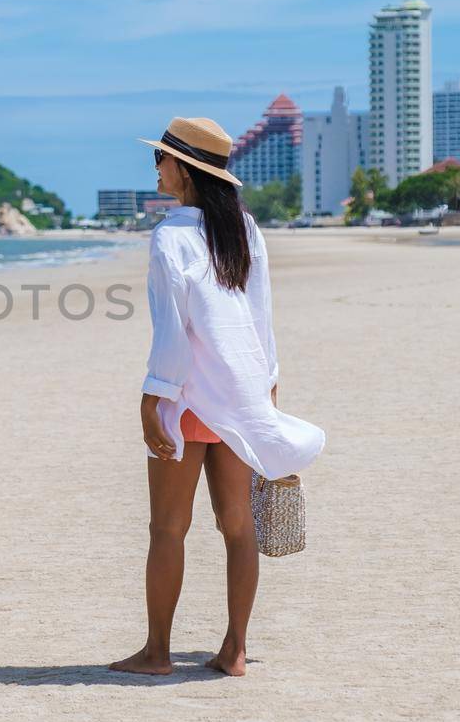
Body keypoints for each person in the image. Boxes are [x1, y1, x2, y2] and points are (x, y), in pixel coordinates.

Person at [109, 117, 326, 677]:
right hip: (238, 397)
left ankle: (158, 652)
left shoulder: (170, 236)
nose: (156, 167)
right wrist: (267, 386)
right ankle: (234, 650)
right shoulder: (245, 230)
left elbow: (172, 332)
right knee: (237, 527)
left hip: (187, 399)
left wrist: (152, 398)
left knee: (167, 528)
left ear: (182, 169)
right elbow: (261, 318)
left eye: (160, 158)